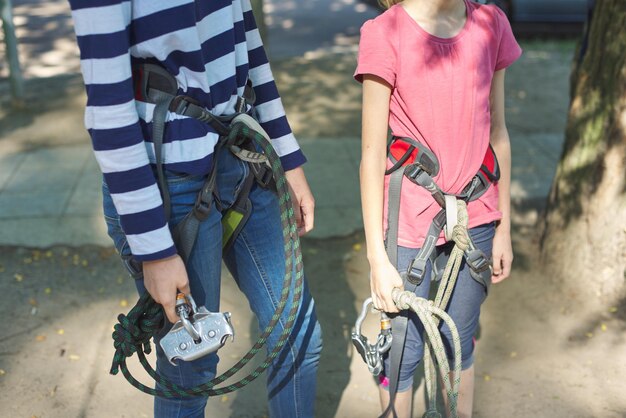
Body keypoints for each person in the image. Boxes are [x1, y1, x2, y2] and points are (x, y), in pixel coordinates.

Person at [68, 1, 322, 417]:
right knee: (192, 366)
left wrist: (287, 157)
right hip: (170, 184)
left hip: (242, 155)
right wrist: (156, 251)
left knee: (298, 332)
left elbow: (247, 41)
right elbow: (108, 109)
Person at [355, 0, 520, 416]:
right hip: (408, 218)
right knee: (403, 351)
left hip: (476, 213)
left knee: (458, 341)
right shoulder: (385, 32)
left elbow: (498, 131)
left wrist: (504, 228)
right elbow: (372, 156)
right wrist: (377, 258)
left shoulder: (490, 23)